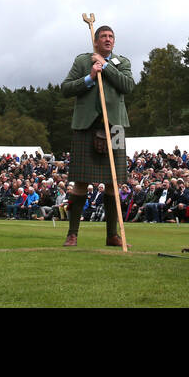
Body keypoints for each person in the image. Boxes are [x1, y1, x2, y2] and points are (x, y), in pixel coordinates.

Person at [60, 24, 134, 247]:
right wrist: (90, 77)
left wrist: (106, 67)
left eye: (111, 36)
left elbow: (128, 86)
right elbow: (65, 88)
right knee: (80, 181)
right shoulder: (82, 61)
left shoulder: (123, 62)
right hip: (86, 124)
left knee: (115, 181)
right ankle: (72, 234)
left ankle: (113, 235)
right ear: (95, 41)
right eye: (103, 36)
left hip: (116, 126)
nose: (108, 39)